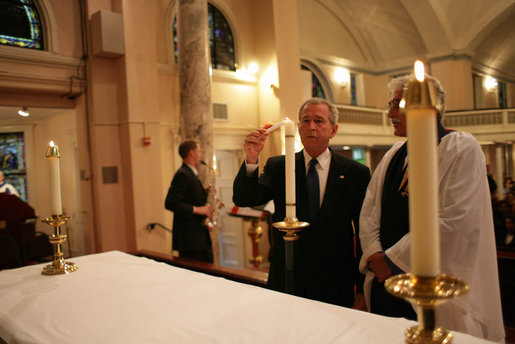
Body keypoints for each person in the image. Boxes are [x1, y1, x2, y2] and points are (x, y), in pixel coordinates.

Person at [359, 75, 505, 342]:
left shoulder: (461, 147)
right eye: (389, 105)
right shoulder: (393, 153)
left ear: (431, 106)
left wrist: (391, 261)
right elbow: (369, 211)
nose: (390, 113)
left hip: (429, 286)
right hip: (385, 282)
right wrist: (374, 254)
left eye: (397, 104)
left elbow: (455, 222)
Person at [233, 97, 371, 309]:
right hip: (288, 274)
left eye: (319, 121)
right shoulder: (279, 166)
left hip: (335, 280)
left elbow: (364, 232)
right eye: (306, 121)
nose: (311, 127)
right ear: (298, 128)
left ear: (333, 130)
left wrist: (362, 289)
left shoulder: (355, 173)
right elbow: (245, 198)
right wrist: (251, 159)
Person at [165, 140, 214, 263]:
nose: (201, 155)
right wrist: (198, 210)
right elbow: (170, 203)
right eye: (199, 151)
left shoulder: (190, 173)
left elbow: (188, 196)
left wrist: (204, 191)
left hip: (197, 238)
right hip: (190, 240)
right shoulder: (183, 174)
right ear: (192, 153)